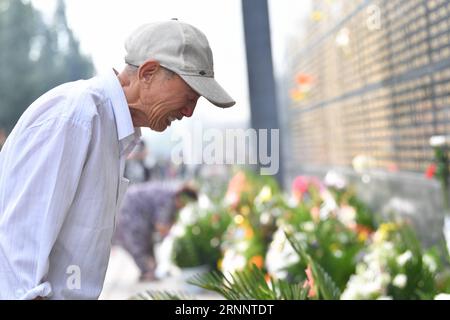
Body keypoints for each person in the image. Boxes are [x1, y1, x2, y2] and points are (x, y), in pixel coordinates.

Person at [0, 20, 235, 299]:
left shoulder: (109, 129)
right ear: (148, 73)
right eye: (188, 96)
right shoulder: (76, 119)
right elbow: (17, 259)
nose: (189, 112)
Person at [113, 183, 198, 281]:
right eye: (186, 203)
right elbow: (161, 227)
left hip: (133, 208)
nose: (185, 207)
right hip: (132, 212)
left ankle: (149, 271)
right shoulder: (168, 201)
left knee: (145, 243)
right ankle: (148, 271)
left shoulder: (171, 195)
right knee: (138, 244)